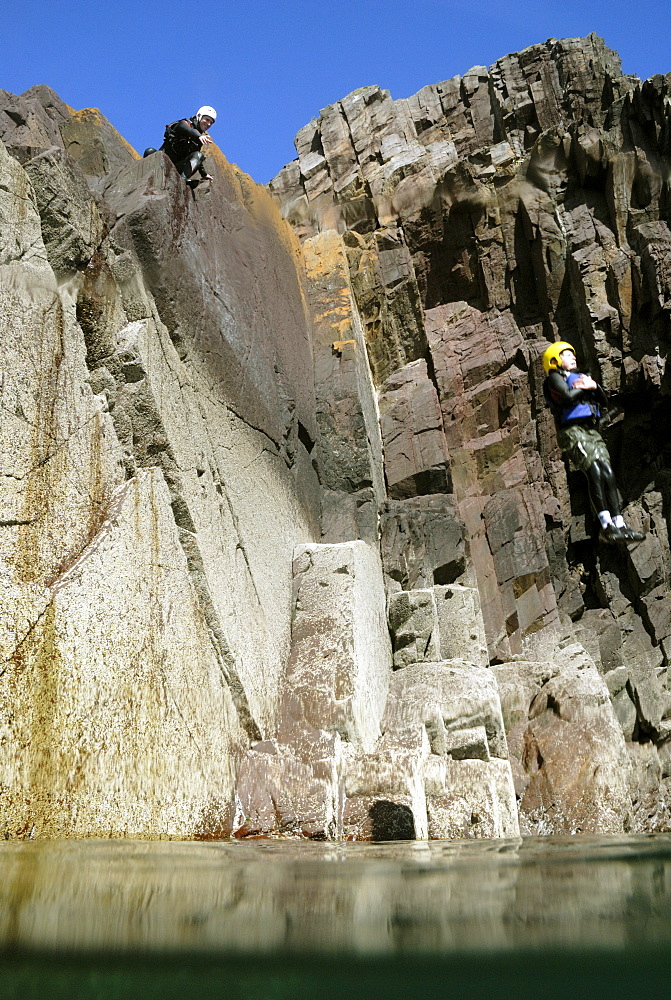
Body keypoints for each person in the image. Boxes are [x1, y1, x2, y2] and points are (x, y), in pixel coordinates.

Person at [542, 341, 645, 544]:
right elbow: (569, 396)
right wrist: (585, 387)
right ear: (555, 360)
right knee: (594, 472)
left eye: (573, 354)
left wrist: (593, 386)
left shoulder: (580, 378)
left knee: (608, 472)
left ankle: (620, 524)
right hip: (572, 432)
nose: (573, 357)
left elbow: (603, 401)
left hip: (591, 431)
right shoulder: (554, 378)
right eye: (567, 355)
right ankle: (606, 527)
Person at [159, 106, 217, 188]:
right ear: (199, 116)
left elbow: (197, 157)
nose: (208, 124)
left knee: (199, 155)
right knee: (149, 151)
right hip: (162, 161)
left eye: (211, 122)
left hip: (177, 168)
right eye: (207, 120)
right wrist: (199, 136)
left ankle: (182, 180)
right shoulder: (184, 124)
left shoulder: (198, 140)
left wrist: (204, 174)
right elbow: (185, 128)